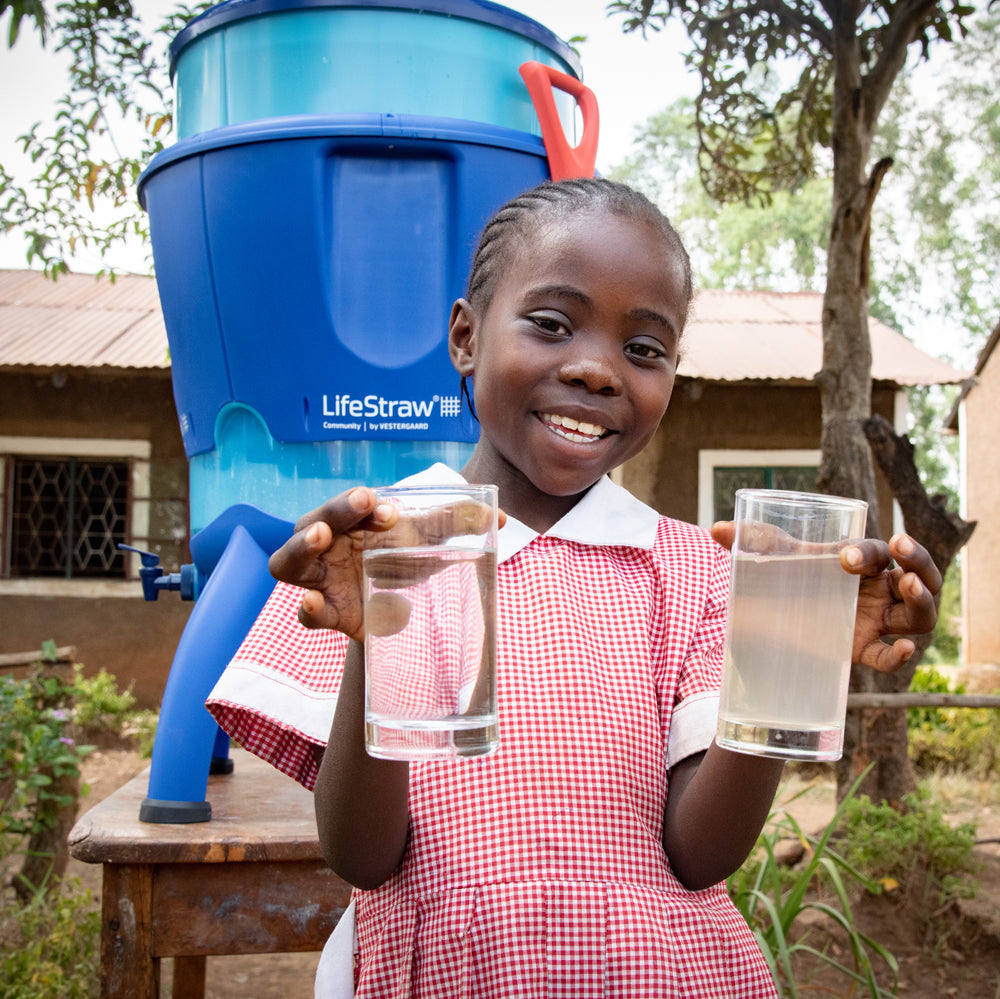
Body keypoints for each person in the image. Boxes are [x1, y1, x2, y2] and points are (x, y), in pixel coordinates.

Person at [207, 178, 941, 998]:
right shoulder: (387, 544)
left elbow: (700, 856)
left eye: (644, 349)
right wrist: (377, 643)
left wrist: (785, 653)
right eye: (553, 324)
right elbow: (363, 854)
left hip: (665, 976)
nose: (596, 369)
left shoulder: (695, 571)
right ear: (465, 336)